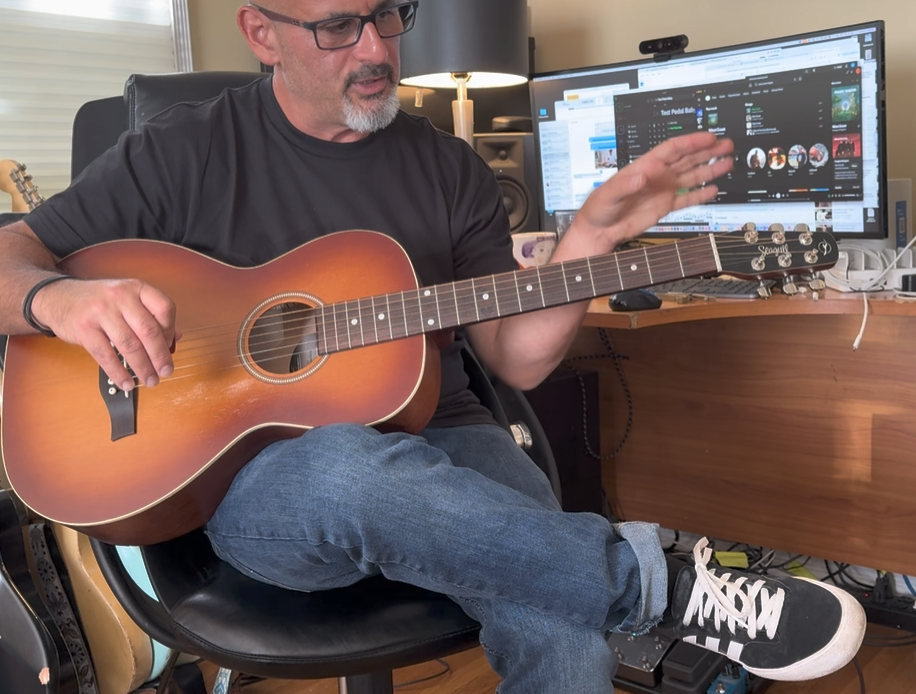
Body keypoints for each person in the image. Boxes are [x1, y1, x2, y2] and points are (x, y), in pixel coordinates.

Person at [0, 2, 865, 691]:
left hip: (449, 435)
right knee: (344, 466)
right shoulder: (179, 153)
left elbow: (516, 360)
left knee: (564, 634)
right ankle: (663, 588)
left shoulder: (450, 168)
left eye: (389, 15)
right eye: (339, 25)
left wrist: (592, 238)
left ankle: (618, 582)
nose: (375, 48)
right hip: (261, 482)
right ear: (261, 32)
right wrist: (58, 298)